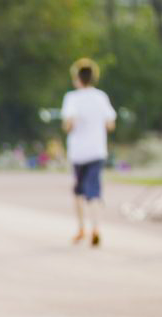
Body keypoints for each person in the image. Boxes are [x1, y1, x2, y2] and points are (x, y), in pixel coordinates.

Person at [61, 58, 116, 247]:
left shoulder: (72, 98)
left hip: (78, 151)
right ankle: (97, 227)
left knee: (78, 191)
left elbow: (68, 124)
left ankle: (81, 228)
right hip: (97, 150)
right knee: (94, 190)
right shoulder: (101, 97)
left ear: (77, 78)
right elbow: (110, 124)